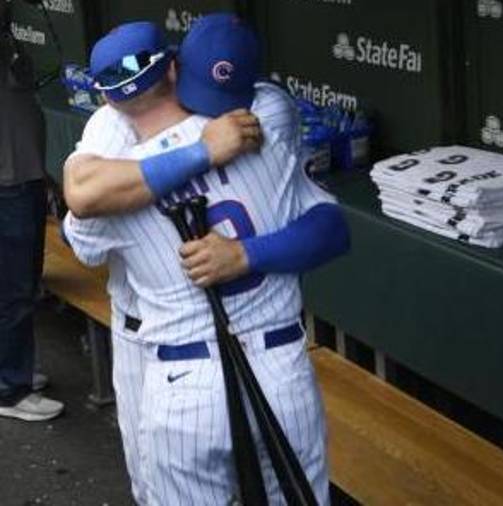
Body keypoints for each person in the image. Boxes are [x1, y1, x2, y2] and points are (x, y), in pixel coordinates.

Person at [63, 17, 347, 505]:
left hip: (181, 380)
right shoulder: (259, 130)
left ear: (107, 97)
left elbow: (82, 225)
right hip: (280, 364)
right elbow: (333, 227)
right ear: (173, 70)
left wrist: (238, 252)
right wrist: (203, 154)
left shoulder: (115, 179)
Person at [0, 0, 64, 421]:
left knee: (18, 283)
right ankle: (10, 387)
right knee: (15, 289)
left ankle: (11, 370)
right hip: (9, 181)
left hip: (21, 174)